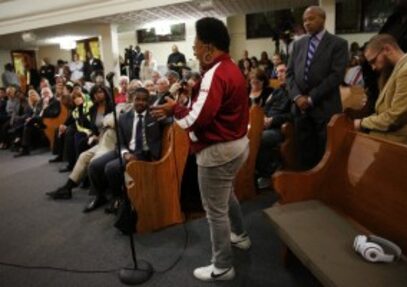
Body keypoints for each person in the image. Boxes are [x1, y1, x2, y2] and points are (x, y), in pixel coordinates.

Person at [151, 17, 250, 282]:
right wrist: (195, 93)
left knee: (214, 210)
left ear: (208, 46)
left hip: (218, 151)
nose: (193, 49)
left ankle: (223, 266)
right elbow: (218, 105)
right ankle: (240, 235)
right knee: (226, 193)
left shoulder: (215, 73)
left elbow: (196, 120)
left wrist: (176, 108)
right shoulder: (230, 68)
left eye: (195, 43)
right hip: (238, 145)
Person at [83, 87, 168, 213]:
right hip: (125, 150)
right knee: (94, 165)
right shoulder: (124, 117)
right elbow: (120, 142)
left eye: (144, 100)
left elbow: (170, 121)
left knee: (111, 168)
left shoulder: (154, 115)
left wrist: (169, 115)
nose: (140, 102)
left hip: (143, 153)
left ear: (148, 101)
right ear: (132, 100)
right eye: (137, 99)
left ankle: (119, 198)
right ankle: (100, 196)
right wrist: (125, 153)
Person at [287, 6, 348, 170]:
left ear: (323, 19)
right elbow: (289, 75)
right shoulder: (298, 44)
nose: (307, 23)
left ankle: (323, 191)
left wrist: (311, 97)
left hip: (325, 107)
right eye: (305, 20)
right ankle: (306, 189)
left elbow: (336, 76)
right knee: (304, 153)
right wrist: (297, 97)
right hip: (300, 109)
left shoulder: (338, 43)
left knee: (324, 155)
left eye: (311, 18)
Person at [354, 34, 407, 150]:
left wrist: (362, 123)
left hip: (404, 146)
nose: (373, 67)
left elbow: (397, 116)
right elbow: (384, 110)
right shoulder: (400, 69)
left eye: (373, 61)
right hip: (395, 141)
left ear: (387, 49)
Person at [255, 63, 292, 189]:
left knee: (259, 138)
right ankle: (251, 172)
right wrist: (264, 117)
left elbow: (292, 115)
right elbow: (266, 108)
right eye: (277, 72)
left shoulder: (294, 92)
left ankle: (268, 173)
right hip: (266, 124)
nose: (279, 74)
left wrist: (272, 120)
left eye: (282, 71)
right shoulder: (277, 91)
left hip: (280, 128)